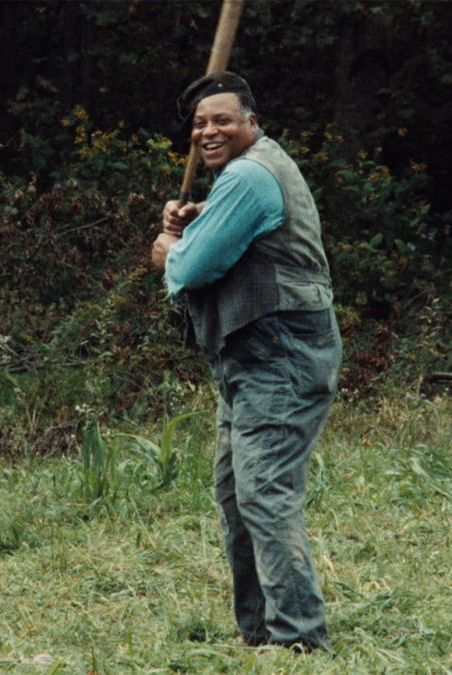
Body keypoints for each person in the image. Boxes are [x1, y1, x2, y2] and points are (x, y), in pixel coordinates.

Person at [150, 72, 341, 652]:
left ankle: (300, 640)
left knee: (262, 492)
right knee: (236, 495)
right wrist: (195, 225)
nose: (209, 130)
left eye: (223, 120)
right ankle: (258, 632)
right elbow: (228, 239)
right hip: (249, 359)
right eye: (200, 124)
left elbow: (189, 271)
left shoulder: (252, 175)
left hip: (280, 359)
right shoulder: (244, 175)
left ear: (252, 124)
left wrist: (170, 250)